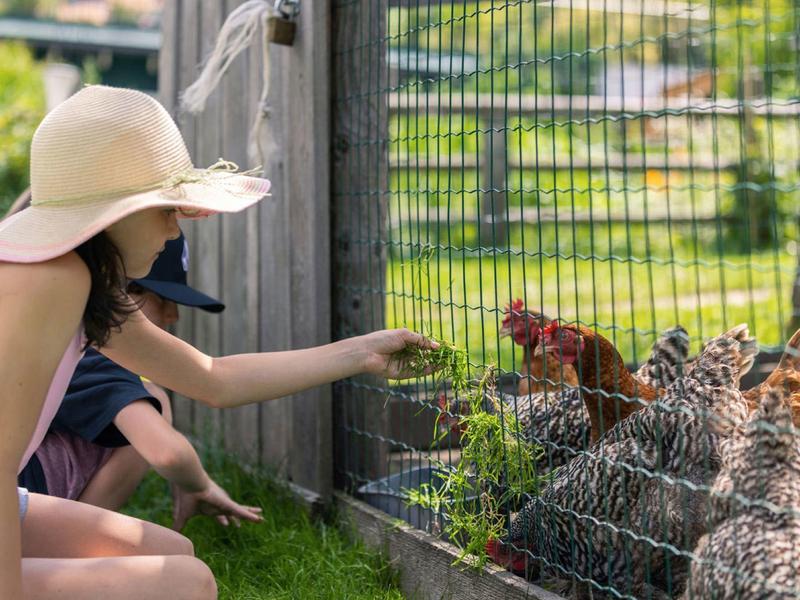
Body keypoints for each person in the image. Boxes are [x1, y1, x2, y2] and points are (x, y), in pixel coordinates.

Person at [0, 85, 436, 599]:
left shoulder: (80, 280)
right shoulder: (58, 278)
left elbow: (213, 379)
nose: (177, 226)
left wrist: (363, 352)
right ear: (111, 213)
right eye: (167, 208)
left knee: (176, 556)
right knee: (188, 583)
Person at [18, 232, 261, 530]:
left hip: (23, 497)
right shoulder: (92, 353)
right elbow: (167, 453)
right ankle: (72, 541)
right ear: (119, 292)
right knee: (152, 399)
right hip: (23, 503)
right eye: (160, 299)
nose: (173, 316)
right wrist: (200, 485)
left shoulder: (50, 332)